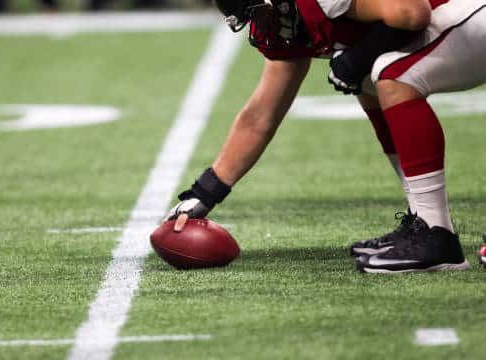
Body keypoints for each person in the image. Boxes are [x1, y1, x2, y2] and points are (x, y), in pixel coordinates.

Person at [165, 0, 486, 273]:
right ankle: (426, 224)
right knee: (371, 79)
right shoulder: (288, 17)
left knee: (389, 73)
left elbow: (411, 12)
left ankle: (436, 236)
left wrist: (358, 58)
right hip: (462, 19)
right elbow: (261, 114)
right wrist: (206, 192)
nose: (261, 24)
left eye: (257, 12)